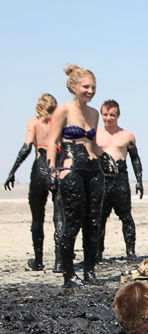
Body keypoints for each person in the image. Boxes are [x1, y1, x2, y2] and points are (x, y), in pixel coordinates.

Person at [46, 65, 107, 288]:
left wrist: (106, 156)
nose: (90, 90)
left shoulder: (94, 113)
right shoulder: (62, 110)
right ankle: (69, 274)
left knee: (93, 221)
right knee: (72, 222)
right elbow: (53, 142)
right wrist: (51, 170)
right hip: (71, 167)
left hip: (93, 168)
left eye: (93, 87)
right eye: (86, 86)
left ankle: (89, 270)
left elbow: (93, 143)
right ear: (73, 87)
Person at [4, 93, 64, 271]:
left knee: (37, 217)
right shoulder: (59, 123)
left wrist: (12, 171)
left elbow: (26, 147)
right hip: (58, 165)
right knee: (59, 218)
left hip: (40, 167)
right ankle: (59, 262)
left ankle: (38, 261)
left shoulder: (34, 122)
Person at [96, 99, 143, 261]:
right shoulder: (95, 134)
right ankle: (97, 252)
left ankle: (130, 251)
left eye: (112, 115)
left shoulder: (127, 136)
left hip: (120, 179)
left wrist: (139, 180)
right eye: (105, 114)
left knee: (126, 216)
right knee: (100, 218)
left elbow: (135, 160)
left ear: (118, 115)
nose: (108, 118)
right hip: (102, 179)